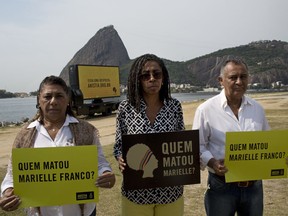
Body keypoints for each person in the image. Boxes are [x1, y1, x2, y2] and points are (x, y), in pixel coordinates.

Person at [0, 75, 116, 216]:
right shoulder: (24, 136)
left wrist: (106, 174)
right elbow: (12, 176)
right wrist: (7, 192)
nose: (53, 101)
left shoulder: (86, 130)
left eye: (59, 96)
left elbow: (100, 163)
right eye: (48, 96)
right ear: (39, 100)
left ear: (68, 100)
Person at [192, 57, 270, 216]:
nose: (239, 81)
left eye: (243, 77)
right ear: (221, 80)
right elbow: (197, 145)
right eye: (233, 77)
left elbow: (267, 143)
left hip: (254, 187)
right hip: (221, 186)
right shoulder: (206, 110)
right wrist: (213, 163)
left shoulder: (257, 109)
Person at [113, 54, 185, 216]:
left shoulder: (174, 107)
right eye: (145, 75)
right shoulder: (126, 108)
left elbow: (182, 142)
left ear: (163, 77)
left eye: (156, 74)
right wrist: (120, 158)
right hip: (137, 193)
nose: (151, 79)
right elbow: (119, 145)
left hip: (170, 192)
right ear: (137, 80)